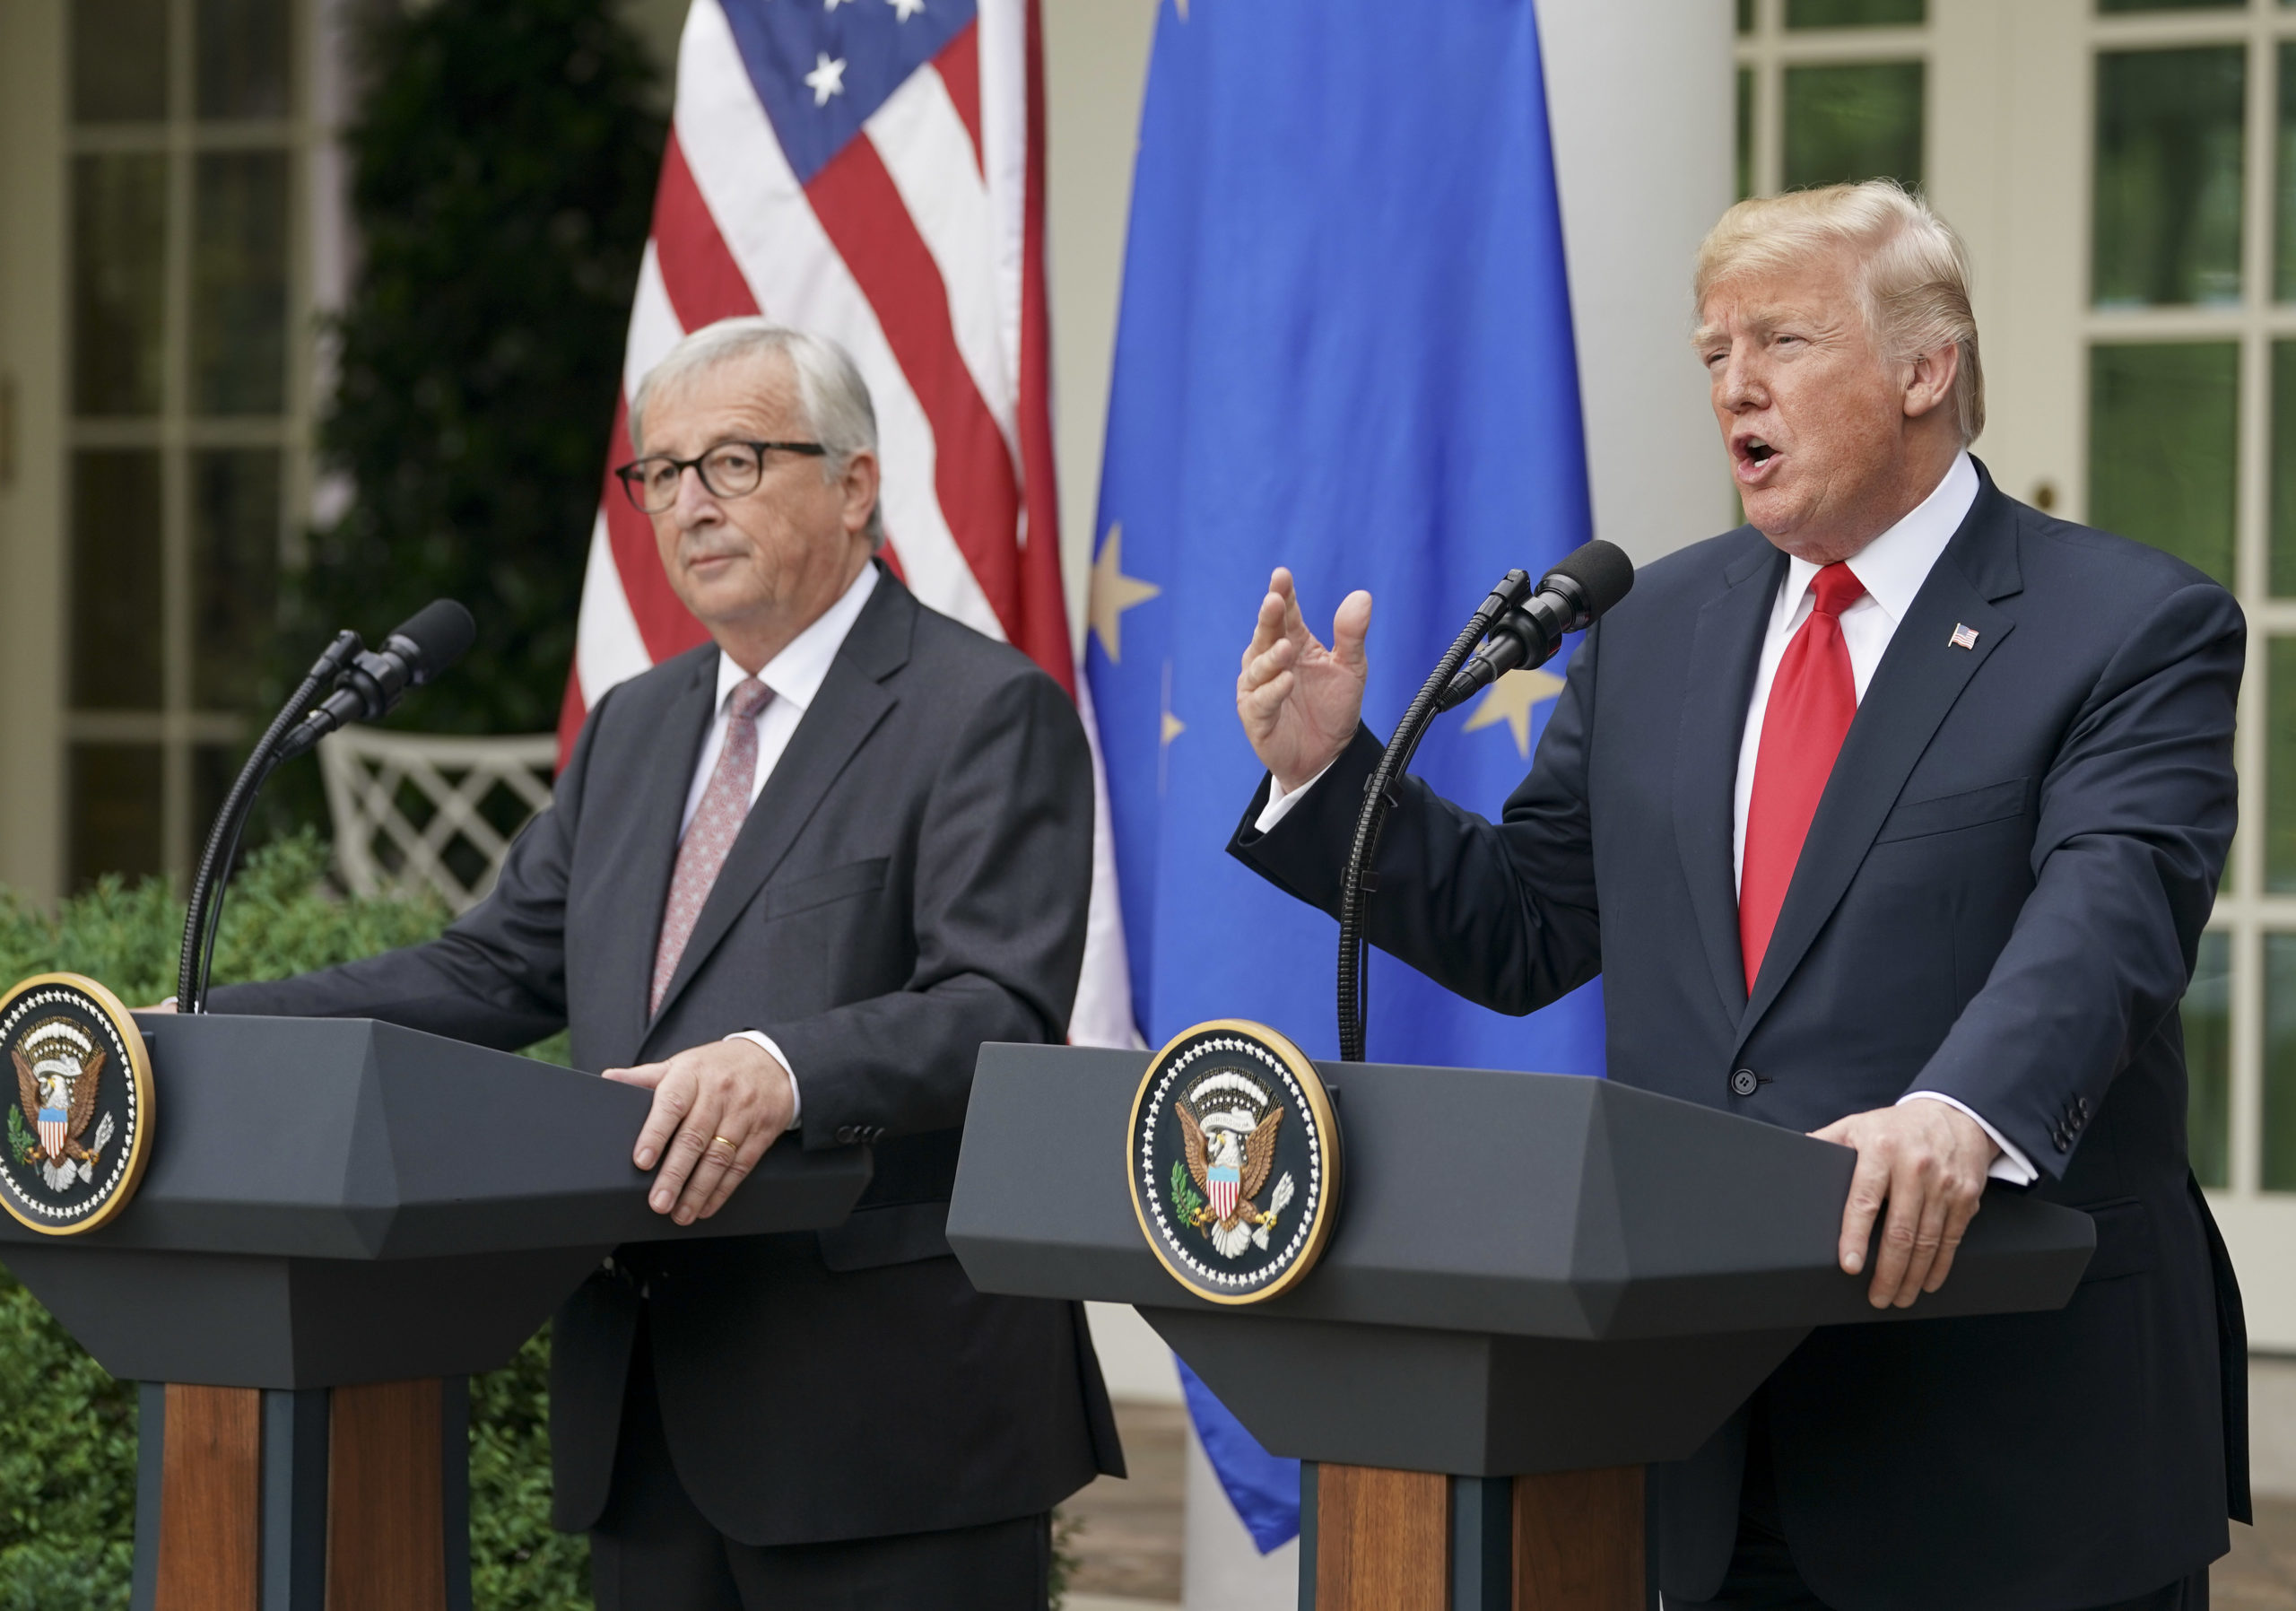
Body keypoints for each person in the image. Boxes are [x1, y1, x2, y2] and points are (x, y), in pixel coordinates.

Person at [1229, 181, 2248, 1611]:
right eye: (1713, 353)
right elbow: (1531, 926)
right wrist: (1333, 784)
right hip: (1702, 1444)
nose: (1736, 387)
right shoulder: (1650, 625)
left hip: (2010, 1440)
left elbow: (2111, 914)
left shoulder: (2126, 624)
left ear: (1923, 368)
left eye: (1781, 340)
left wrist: (1959, 1110)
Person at [201, 319, 1122, 1609]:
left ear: (856, 484)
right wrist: (194, 1027)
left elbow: (996, 1007)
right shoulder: (638, 726)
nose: (690, 504)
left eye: (736, 462)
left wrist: (780, 1068)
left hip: (890, 1434)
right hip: (647, 1424)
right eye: (662, 473)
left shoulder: (982, 712)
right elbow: (484, 975)